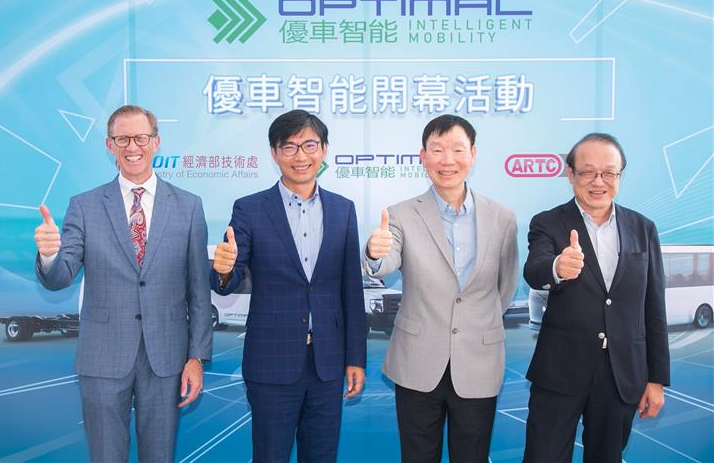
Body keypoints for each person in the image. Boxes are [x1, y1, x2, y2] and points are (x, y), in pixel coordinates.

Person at [34, 105, 212, 462]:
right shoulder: (84, 206)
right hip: (103, 355)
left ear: (156, 142)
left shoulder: (189, 206)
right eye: (123, 139)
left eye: (141, 138)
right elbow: (61, 276)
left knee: (159, 455)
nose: (133, 147)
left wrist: (196, 356)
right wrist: (50, 255)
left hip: (166, 357)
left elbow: (198, 290)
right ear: (109, 145)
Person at [211, 109, 366, 462]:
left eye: (309, 145)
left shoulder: (343, 209)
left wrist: (355, 358)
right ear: (274, 153)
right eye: (289, 146)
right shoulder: (250, 209)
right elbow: (229, 279)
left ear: (324, 149)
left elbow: (351, 290)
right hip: (271, 362)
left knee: (321, 456)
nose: (300, 156)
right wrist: (223, 270)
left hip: (327, 363)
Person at [364, 114, 519, 463]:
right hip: (417, 361)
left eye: (457, 149)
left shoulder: (502, 217)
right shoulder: (400, 214)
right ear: (423, 156)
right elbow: (385, 262)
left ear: (473, 154)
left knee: (472, 456)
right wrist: (374, 253)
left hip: (479, 361)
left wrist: (478, 321)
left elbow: (506, 287)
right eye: (437, 150)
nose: (447, 160)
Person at [522, 133, 670, 463]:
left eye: (609, 173)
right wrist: (558, 267)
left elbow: (654, 307)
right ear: (570, 173)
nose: (598, 181)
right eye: (588, 172)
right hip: (560, 371)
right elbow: (534, 269)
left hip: (620, 375)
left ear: (620, 175)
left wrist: (656, 379)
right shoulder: (548, 222)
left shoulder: (643, 228)